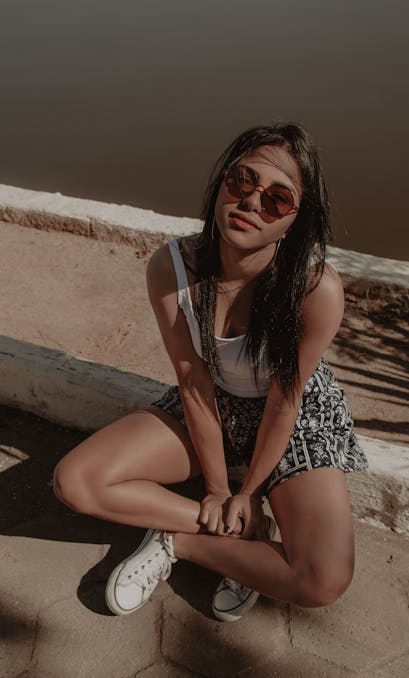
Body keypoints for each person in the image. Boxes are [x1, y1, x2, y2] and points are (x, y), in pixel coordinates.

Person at [53, 122, 368, 622]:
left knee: (322, 578)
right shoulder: (172, 267)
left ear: (295, 220)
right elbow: (192, 380)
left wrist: (249, 493)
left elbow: (285, 402)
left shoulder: (314, 290)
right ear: (222, 182)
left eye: (276, 199)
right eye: (242, 181)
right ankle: (243, 543)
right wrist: (221, 495)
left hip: (295, 415)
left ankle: (182, 542)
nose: (250, 202)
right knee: (77, 482)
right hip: (210, 399)